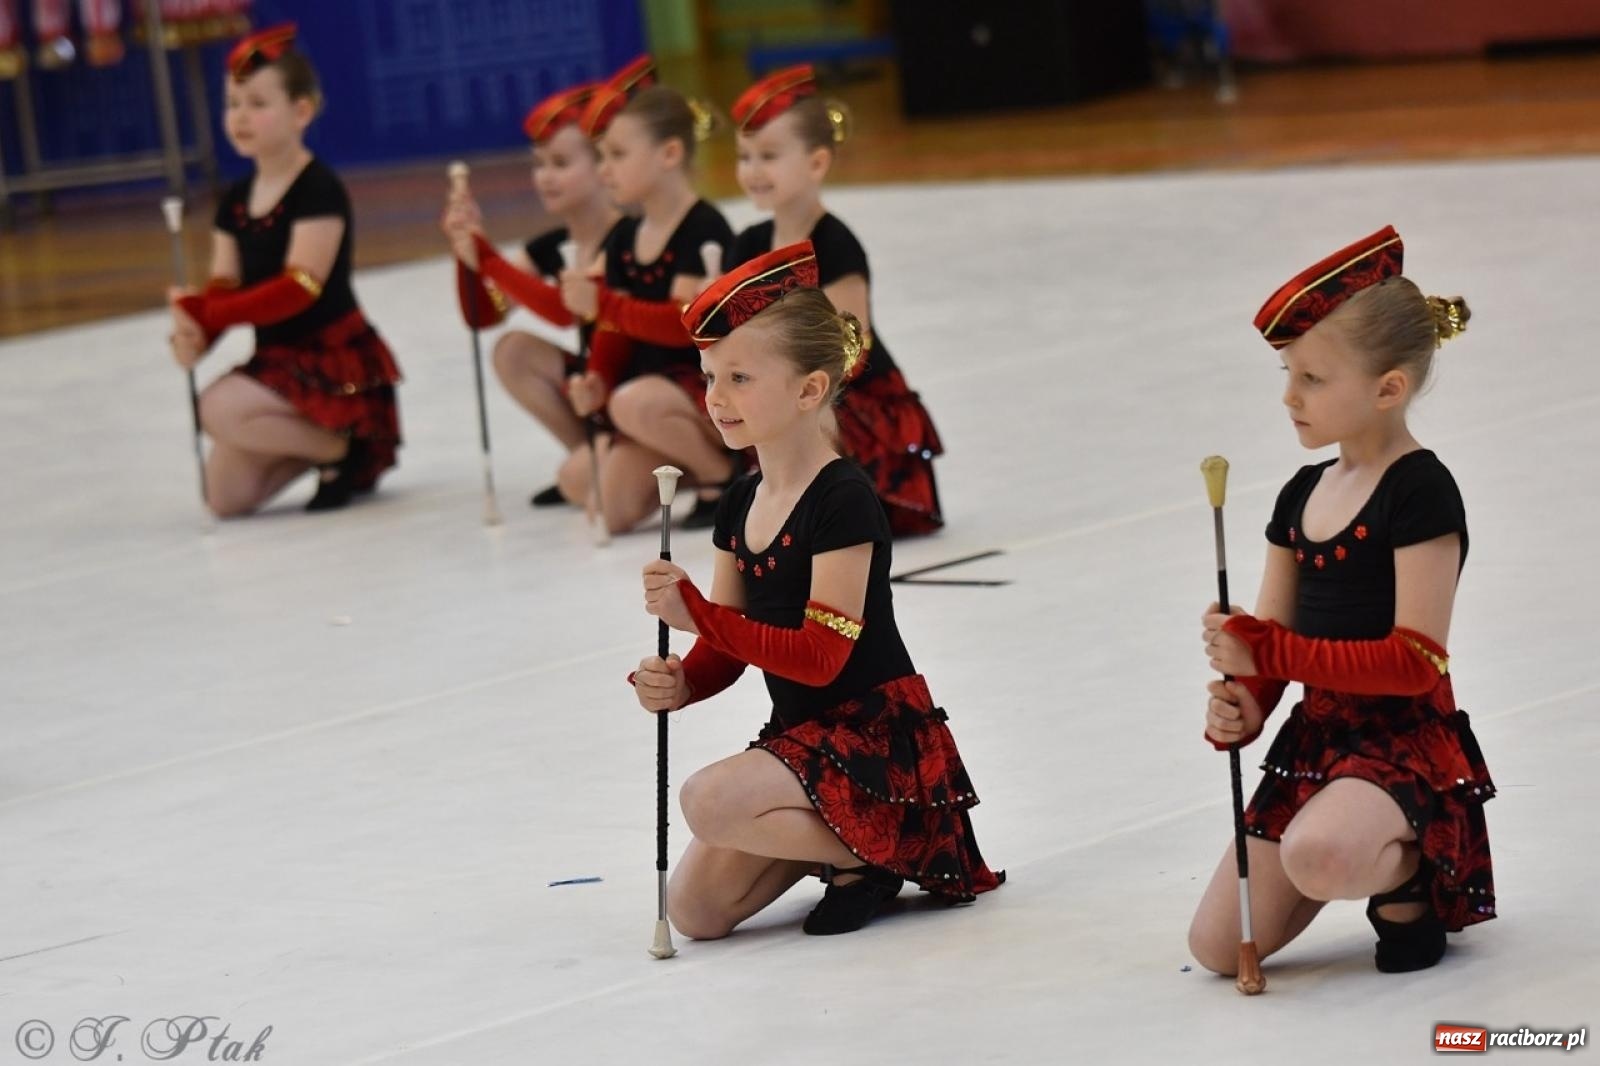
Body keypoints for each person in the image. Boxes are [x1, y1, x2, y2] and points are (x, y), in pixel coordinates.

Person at [633, 241, 1003, 939]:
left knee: (706, 799)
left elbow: (819, 659)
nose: (715, 397)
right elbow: (731, 649)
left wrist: (700, 615)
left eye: (740, 377)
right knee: (695, 913)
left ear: (808, 390)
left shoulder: (844, 498)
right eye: (710, 376)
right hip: (802, 741)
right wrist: (681, 682)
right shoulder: (739, 502)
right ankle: (852, 855)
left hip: (868, 737)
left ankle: (904, 844)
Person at [1190, 225, 1495, 976]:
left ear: (1389, 388)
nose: (1290, 397)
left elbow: (1413, 663)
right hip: (1319, 742)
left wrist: (1266, 648)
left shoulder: (1420, 491)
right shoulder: (1300, 495)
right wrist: (1247, 703)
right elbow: (1273, 643)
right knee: (1216, 949)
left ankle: (1410, 876)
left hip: (1402, 742)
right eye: (1288, 375)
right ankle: (1347, 838)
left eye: (1313, 380)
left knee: (1316, 856)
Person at [169, 23, 401, 516]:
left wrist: (211, 310)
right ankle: (328, 451)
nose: (240, 117)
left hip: (331, 360)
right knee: (224, 500)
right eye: (232, 104)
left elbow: (300, 288)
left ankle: (344, 446)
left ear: (302, 111)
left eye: (257, 103)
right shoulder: (233, 202)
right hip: (277, 364)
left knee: (215, 407)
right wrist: (198, 333)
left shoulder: (319, 189)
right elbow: (224, 286)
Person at [726, 65, 944, 535]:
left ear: (817, 163)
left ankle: (814, 515)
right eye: (744, 157)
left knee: (808, 419)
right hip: (785, 389)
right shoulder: (747, 244)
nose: (753, 171)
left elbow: (850, 348)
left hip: (849, 398)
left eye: (768, 156)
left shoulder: (836, 243)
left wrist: (788, 393)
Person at [443, 81, 623, 510]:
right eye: (539, 163)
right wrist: (465, 251)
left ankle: (602, 463)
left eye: (561, 163)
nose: (545, 176)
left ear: (604, 165)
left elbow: (565, 312)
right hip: (595, 387)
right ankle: (588, 453)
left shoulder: (626, 237)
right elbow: (482, 315)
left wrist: (489, 261)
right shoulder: (550, 246)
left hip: (638, 383)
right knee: (513, 351)